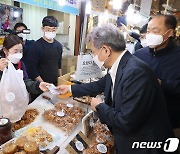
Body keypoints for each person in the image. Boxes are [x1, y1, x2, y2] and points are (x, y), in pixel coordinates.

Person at [56, 24, 177, 154]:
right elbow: (98, 85)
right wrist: (69, 88)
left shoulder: (135, 72)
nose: (93, 56)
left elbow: (126, 121)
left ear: (106, 50)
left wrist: (99, 106)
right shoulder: (120, 65)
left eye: (94, 52)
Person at [134, 15, 180, 129]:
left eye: (155, 31)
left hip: (169, 123)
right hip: (138, 119)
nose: (150, 35)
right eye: (148, 31)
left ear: (169, 33)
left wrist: (161, 84)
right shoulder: (139, 55)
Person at [27, 16, 63, 85]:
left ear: (57, 30)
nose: (51, 32)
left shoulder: (59, 46)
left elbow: (59, 65)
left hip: (54, 84)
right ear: (43, 29)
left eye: (53, 30)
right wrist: (43, 83)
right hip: (40, 85)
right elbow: (32, 69)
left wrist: (60, 81)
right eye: (48, 29)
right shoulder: (36, 46)